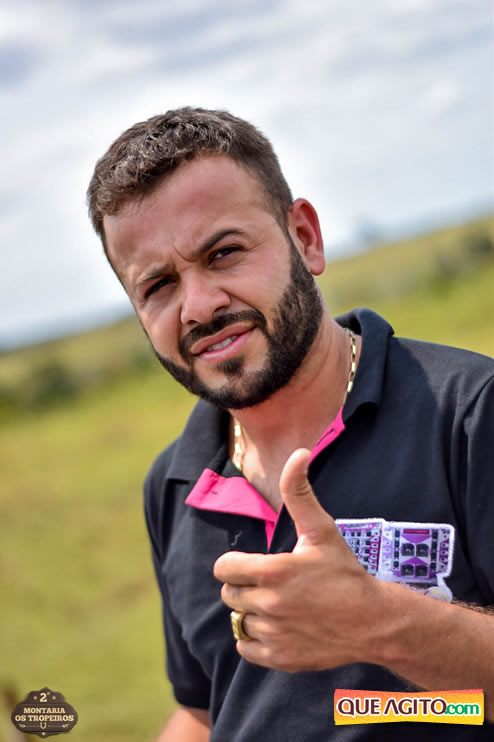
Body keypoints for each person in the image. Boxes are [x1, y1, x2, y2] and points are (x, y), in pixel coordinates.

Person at [87, 107, 494, 741]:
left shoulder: (468, 413)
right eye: (158, 285)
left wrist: (378, 622)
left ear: (304, 237)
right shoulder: (174, 483)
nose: (200, 306)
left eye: (224, 253)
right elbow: (206, 709)